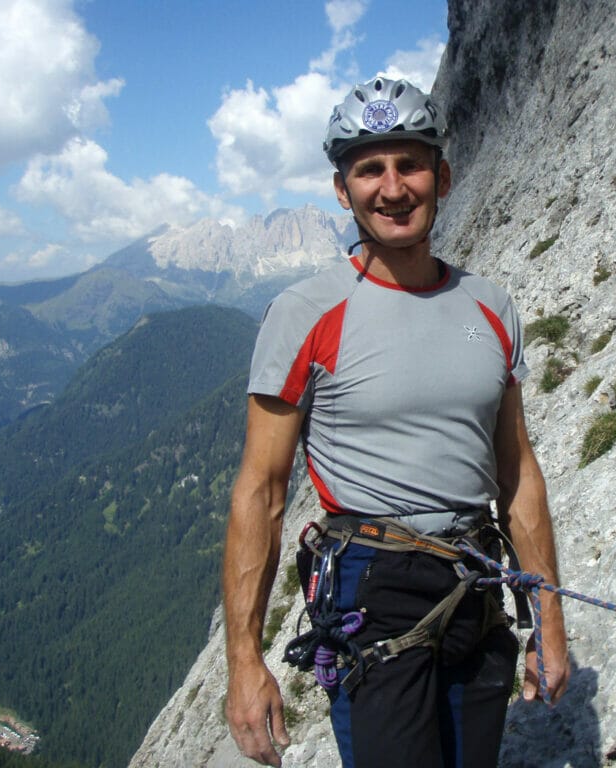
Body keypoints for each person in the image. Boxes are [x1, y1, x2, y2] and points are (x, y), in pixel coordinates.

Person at [223, 75, 569, 768]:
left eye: (409, 164)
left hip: (476, 581)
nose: (392, 187)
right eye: (369, 169)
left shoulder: (492, 307)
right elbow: (260, 490)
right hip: (371, 589)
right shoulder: (306, 312)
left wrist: (549, 620)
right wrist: (243, 661)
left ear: (441, 176)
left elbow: (516, 469)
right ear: (342, 189)